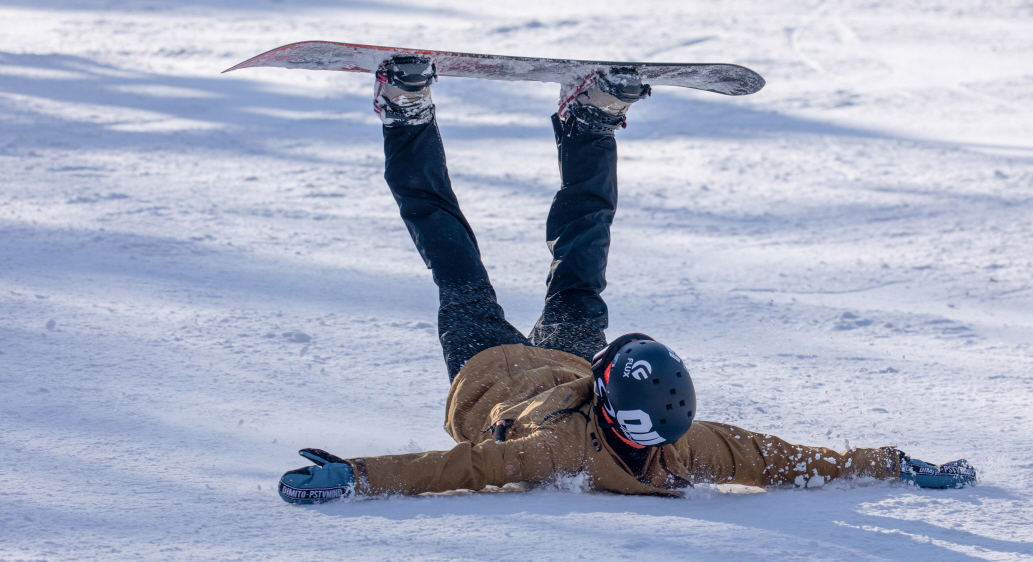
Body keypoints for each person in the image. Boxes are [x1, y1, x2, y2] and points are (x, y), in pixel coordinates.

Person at [277, 57, 976, 504]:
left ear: (611, 400)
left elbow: (452, 471)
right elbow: (777, 458)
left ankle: (406, 114)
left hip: (488, 371)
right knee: (583, 256)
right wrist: (893, 463)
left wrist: (357, 475)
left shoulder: (548, 452)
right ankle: (586, 124)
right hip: (563, 363)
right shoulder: (681, 445)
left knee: (451, 250)